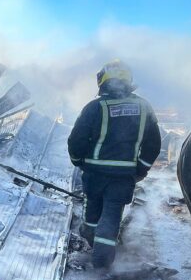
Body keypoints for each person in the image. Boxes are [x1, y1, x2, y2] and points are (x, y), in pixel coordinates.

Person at [67, 60, 161, 268]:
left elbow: (76, 140)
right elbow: (153, 144)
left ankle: (91, 247)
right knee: (111, 218)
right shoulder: (144, 107)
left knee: (92, 211)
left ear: (102, 80)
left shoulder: (94, 107)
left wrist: (78, 161)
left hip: (94, 174)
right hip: (123, 177)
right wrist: (141, 169)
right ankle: (102, 265)